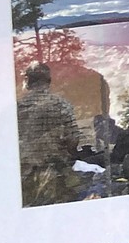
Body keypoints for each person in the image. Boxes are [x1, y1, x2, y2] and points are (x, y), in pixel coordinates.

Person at [17, 62, 82, 206]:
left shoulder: (14, 109)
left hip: (21, 180)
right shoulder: (61, 105)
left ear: (27, 81)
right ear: (49, 81)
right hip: (54, 176)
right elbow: (73, 139)